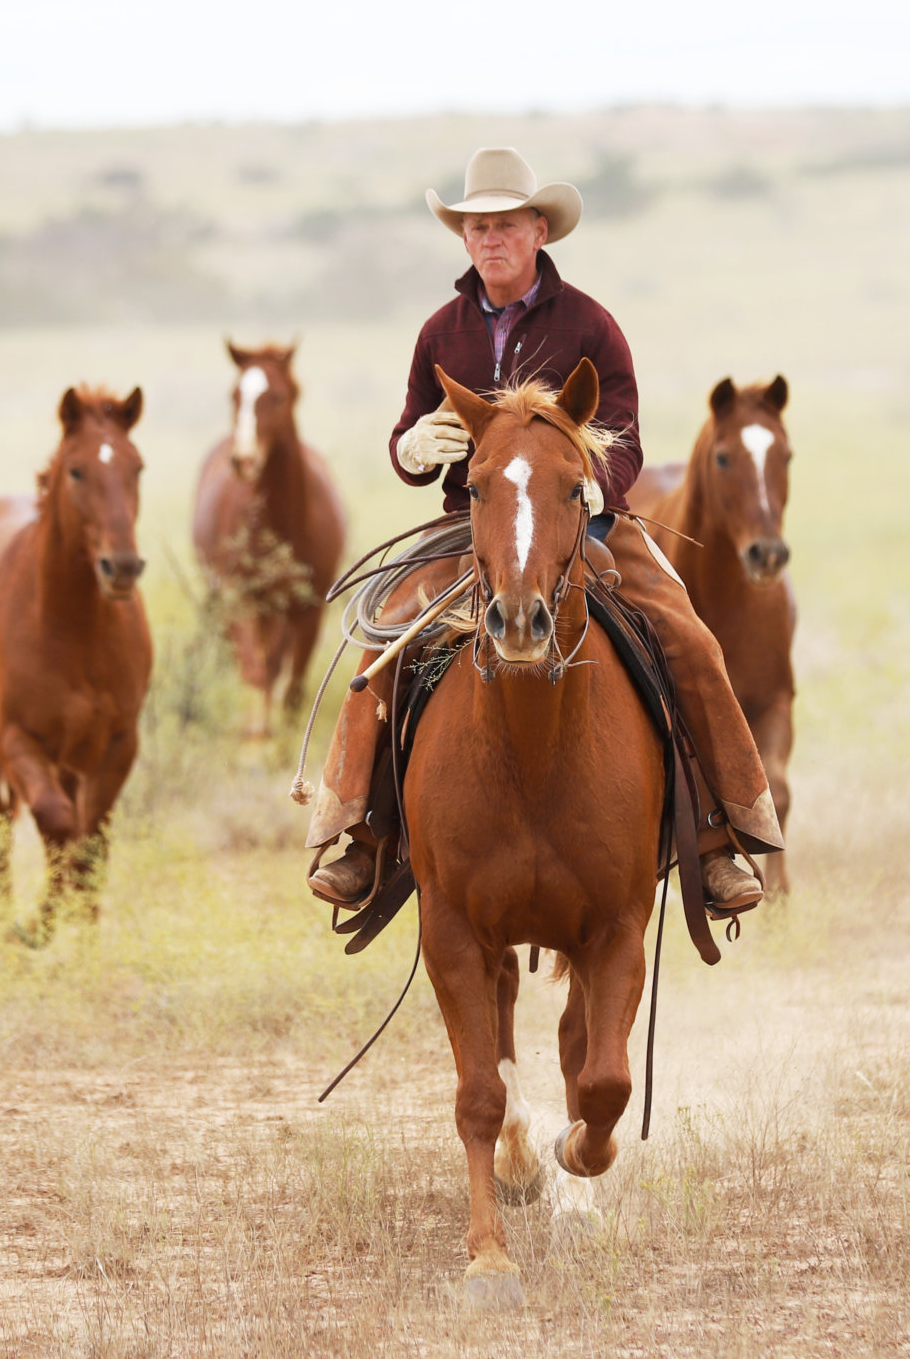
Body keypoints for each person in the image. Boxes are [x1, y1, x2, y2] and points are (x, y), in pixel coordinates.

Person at [305, 147, 782, 912]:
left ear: (538, 230)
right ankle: (363, 832)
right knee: (384, 640)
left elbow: (623, 432)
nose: (490, 238)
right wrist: (412, 446)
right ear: (464, 239)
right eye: (477, 226)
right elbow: (409, 439)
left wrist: (596, 487)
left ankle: (722, 833)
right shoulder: (440, 333)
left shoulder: (591, 325)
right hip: (470, 527)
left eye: (505, 224)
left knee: (687, 638)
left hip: (583, 520)